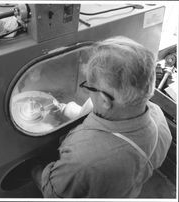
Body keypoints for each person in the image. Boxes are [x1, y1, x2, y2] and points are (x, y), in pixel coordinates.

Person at [31, 36, 172, 198]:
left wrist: (34, 169)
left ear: (105, 100)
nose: (88, 92)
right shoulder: (160, 121)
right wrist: (66, 109)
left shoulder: (82, 162)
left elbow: (53, 193)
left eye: (89, 87)